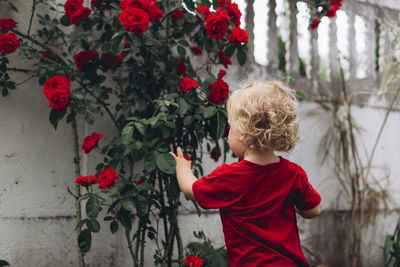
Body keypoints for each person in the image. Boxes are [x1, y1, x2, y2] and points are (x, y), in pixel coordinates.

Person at [170, 81, 322, 267]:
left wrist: (183, 168)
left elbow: (191, 190)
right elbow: (314, 210)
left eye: (230, 126)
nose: (228, 132)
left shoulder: (229, 177)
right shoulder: (293, 173)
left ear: (242, 132)